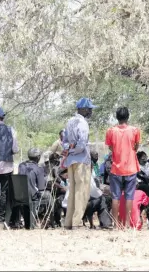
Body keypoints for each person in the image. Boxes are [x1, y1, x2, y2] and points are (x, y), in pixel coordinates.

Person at [62, 98, 96, 230]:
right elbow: (82, 144)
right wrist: (75, 150)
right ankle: (76, 222)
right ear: (82, 109)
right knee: (82, 192)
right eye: (89, 109)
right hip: (81, 161)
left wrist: (69, 150)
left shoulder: (70, 121)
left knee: (73, 191)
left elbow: (64, 141)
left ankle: (68, 222)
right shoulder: (83, 123)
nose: (91, 111)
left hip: (71, 160)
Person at [105, 107, 141, 228]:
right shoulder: (135, 130)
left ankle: (115, 225)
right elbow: (136, 147)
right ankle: (126, 224)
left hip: (116, 168)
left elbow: (110, 147)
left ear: (117, 117)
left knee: (115, 197)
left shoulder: (110, 131)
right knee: (129, 196)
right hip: (131, 168)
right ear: (128, 116)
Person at [18, 148, 48, 229]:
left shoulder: (21, 166)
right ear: (38, 157)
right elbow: (41, 187)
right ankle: (47, 222)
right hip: (32, 196)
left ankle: (27, 224)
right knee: (49, 197)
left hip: (20, 195)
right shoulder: (39, 168)